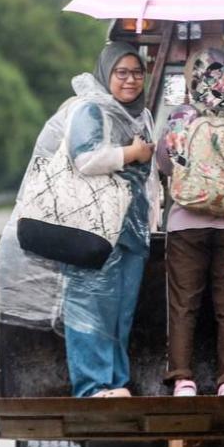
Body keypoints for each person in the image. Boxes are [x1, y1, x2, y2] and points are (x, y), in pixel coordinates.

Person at [155, 48, 224, 397]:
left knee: (184, 303)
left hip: (186, 222)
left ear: (191, 77)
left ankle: (183, 379)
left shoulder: (180, 115)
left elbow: (167, 164)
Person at [58, 41, 156, 398]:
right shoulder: (89, 109)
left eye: (137, 72)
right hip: (92, 227)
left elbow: (149, 177)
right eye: (122, 72)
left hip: (130, 229)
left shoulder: (140, 114)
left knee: (120, 313)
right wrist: (131, 152)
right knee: (89, 308)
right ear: (107, 73)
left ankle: (115, 382)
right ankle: (91, 385)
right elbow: (83, 159)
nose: (130, 80)